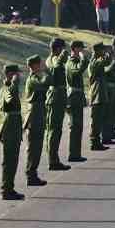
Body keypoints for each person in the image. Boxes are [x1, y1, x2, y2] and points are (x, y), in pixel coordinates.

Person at [0, 63, 26, 200]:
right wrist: (13, 83)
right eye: (16, 74)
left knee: (13, 159)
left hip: (14, 126)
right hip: (9, 127)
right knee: (9, 160)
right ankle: (6, 190)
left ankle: (9, 188)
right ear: (9, 74)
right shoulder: (6, 88)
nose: (18, 76)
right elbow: (9, 101)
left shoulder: (11, 87)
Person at [23, 54, 51, 187]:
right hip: (34, 115)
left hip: (38, 113)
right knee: (34, 147)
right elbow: (45, 83)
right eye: (40, 63)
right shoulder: (33, 78)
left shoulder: (37, 77)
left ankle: (33, 174)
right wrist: (46, 70)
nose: (42, 65)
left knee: (37, 146)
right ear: (34, 65)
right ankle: (31, 174)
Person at [44, 38, 71, 172]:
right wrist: (63, 56)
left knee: (55, 130)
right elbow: (57, 67)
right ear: (57, 49)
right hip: (56, 97)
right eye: (62, 49)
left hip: (57, 96)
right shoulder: (53, 59)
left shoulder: (52, 59)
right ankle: (53, 160)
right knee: (54, 130)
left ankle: (53, 159)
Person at [65, 40, 89, 163]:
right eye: (80, 49)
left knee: (78, 126)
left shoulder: (74, 61)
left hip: (77, 96)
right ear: (74, 49)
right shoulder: (71, 62)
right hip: (74, 97)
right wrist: (83, 58)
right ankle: (73, 154)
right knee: (75, 126)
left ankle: (76, 153)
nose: (82, 51)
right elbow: (77, 71)